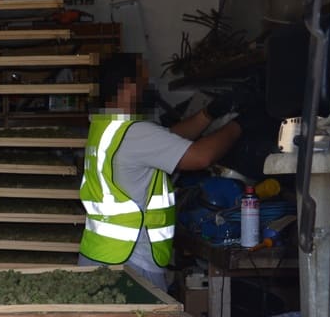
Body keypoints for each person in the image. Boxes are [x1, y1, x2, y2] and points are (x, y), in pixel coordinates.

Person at [78, 53, 243, 291]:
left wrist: (210, 113)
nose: (149, 87)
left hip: (101, 255)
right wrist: (239, 126)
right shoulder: (134, 133)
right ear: (127, 87)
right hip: (131, 264)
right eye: (144, 81)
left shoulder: (106, 127)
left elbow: (167, 141)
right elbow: (200, 157)